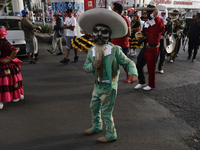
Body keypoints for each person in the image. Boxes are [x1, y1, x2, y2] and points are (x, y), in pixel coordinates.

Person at [80, 8, 138, 143]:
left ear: (109, 34)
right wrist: (92, 66)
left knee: (106, 112)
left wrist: (133, 73)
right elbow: (85, 67)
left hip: (109, 87)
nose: (99, 34)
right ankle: (96, 126)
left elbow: (128, 62)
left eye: (104, 31)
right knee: (93, 107)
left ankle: (111, 134)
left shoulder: (115, 50)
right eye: (96, 31)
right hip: (97, 86)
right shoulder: (91, 50)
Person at [134, 1, 165, 91]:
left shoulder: (159, 20)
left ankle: (151, 84)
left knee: (151, 68)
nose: (148, 13)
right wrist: (140, 37)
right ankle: (142, 81)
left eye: (150, 11)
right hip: (145, 47)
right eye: (147, 11)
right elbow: (144, 34)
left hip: (153, 48)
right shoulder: (147, 22)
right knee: (139, 64)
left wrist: (156, 17)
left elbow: (162, 28)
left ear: (155, 11)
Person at [0, 27, 24, 109]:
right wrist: (9, 59)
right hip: (8, 65)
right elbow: (15, 50)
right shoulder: (6, 43)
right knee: (13, 80)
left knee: (2, 83)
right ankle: (16, 96)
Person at [111, 2, 131, 83]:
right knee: (113, 63)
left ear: (116, 11)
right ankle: (113, 78)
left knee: (124, 63)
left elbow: (129, 34)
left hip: (123, 45)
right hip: (113, 44)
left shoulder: (125, 19)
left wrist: (117, 33)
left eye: (112, 10)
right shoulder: (112, 20)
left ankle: (128, 74)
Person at [158, 9, 172, 74]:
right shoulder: (157, 20)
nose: (163, 15)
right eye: (162, 13)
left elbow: (170, 31)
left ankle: (160, 67)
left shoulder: (169, 21)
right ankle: (152, 67)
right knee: (155, 54)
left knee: (163, 54)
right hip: (157, 39)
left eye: (164, 13)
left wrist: (168, 35)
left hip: (164, 40)